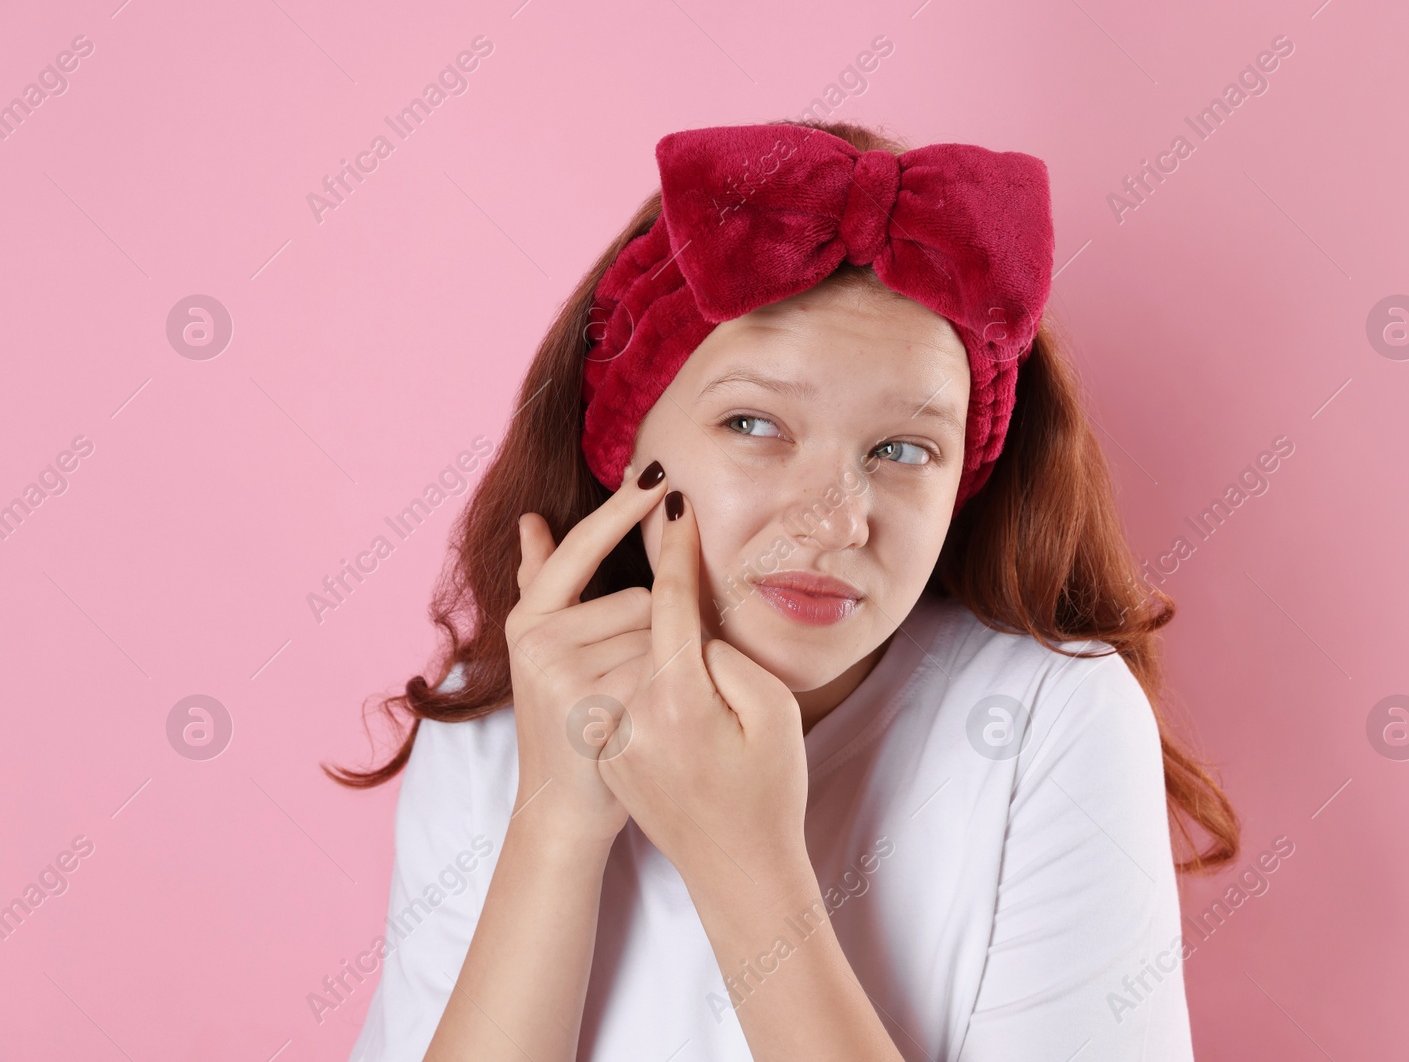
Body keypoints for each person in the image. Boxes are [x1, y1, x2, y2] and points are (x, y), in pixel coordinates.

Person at [328, 118, 1239, 1061]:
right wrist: (555, 826)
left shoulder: (1054, 721)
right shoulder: (495, 731)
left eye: (901, 450)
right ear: (624, 446)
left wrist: (746, 862)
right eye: (756, 424)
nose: (837, 519)